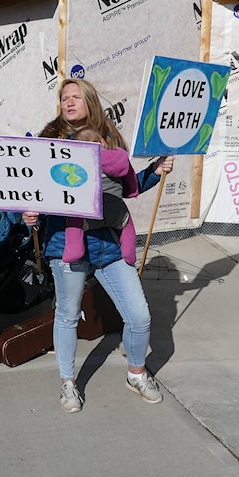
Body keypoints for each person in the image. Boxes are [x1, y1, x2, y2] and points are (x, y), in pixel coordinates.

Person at [24, 77, 173, 413]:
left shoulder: (109, 138)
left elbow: (129, 187)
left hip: (109, 242)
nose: (70, 102)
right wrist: (30, 212)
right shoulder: (49, 139)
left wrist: (155, 170)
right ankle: (68, 384)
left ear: (90, 100)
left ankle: (136, 374)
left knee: (139, 315)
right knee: (66, 316)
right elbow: (33, 188)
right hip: (66, 243)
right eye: (64, 98)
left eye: (77, 96)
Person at [62, 126, 140, 265]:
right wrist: (132, 191)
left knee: (74, 220)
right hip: (116, 212)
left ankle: (74, 250)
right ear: (101, 141)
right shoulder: (120, 157)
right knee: (127, 225)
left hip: (91, 213)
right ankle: (129, 254)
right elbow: (130, 180)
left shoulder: (80, 160)